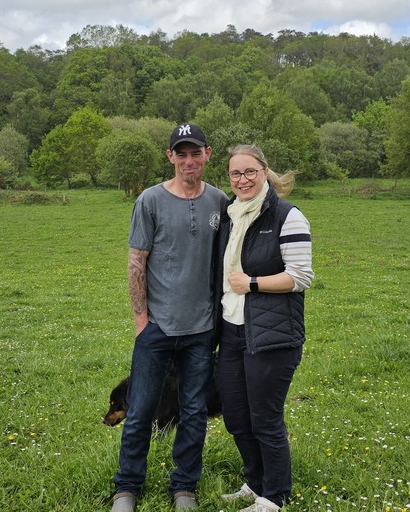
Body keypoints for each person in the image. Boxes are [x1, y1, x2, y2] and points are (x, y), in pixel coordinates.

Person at [111, 123, 229, 512]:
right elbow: (135, 261)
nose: (189, 160)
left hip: (202, 330)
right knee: (142, 408)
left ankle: (184, 488)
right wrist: (142, 321)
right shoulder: (149, 201)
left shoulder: (219, 202)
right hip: (157, 328)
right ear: (170, 157)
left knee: (194, 411)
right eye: (182, 153)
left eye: (196, 153)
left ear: (208, 154)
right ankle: (127, 488)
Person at [216, 144, 314, 512]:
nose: (242, 180)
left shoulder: (287, 216)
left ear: (264, 172)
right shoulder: (230, 215)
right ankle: (254, 483)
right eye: (235, 174)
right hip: (232, 330)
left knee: (265, 418)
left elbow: (301, 277)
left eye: (249, 172)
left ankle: (274, 497)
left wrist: (253, 283)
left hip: (272, 336)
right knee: (237, 416)